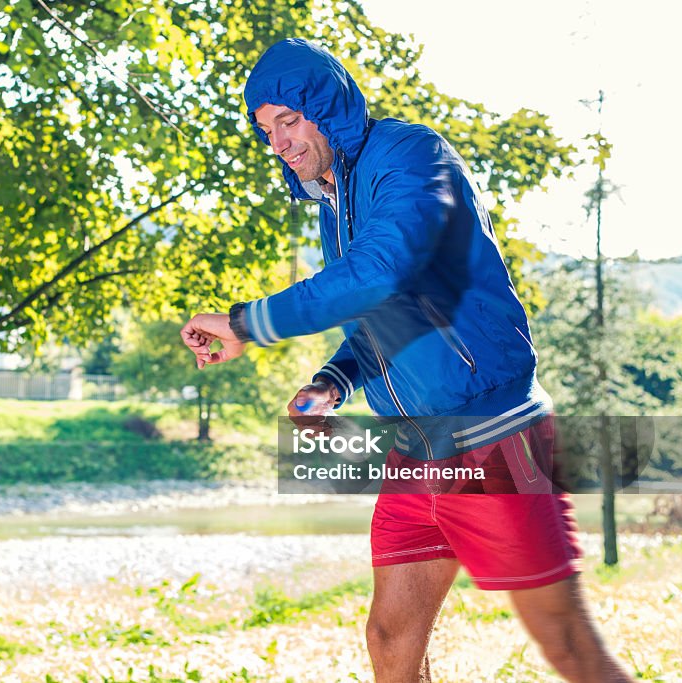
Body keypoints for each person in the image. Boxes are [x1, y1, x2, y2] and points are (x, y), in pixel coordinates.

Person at [180, 38, 632, 682]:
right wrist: (333, 381)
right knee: (391, 640)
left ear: (328, 110)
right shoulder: (336, 204)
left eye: (289, 120)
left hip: (492, 434)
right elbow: (384, 314)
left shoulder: (410, 156)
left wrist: (246, 322)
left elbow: (382, 273)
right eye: (265, 128)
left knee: (566, 645)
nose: (277, 142)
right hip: (415, 448)